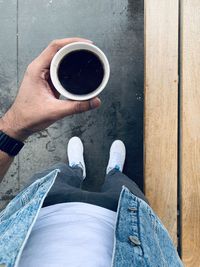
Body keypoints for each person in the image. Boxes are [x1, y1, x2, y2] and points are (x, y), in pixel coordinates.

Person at [0, 37, 183, 267]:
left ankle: (76, 168)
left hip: (41, 209)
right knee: (121, 185)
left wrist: (14, 126)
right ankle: (114, 171)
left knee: (60, 173)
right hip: (124, 223)